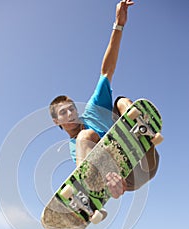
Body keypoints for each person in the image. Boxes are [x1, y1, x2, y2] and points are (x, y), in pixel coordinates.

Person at [49, 0, 159, 199]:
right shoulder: (76, 148)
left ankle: (141, 128)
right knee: (85, 138)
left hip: (145, 157)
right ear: (57, 121)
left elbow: (106, 70)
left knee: (120, 102)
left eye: (71, 108)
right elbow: (83, 158)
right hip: (129, 178)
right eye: (63, 112)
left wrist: (119, 24)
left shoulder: (94, 109)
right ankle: (90, 191)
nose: (71, 113)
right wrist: (108, 184)